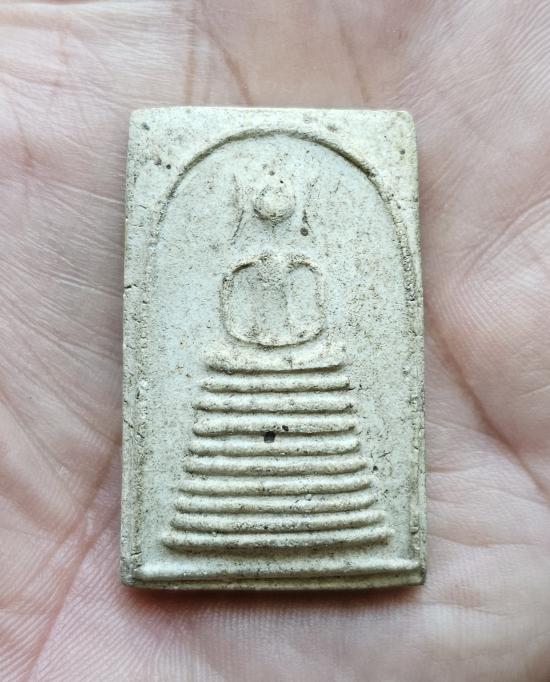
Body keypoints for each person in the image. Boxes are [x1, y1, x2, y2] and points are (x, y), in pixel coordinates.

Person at [1, 1, 549, 680]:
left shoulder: (303, 262)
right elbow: (233, 302)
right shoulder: (241, 259)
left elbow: (304, 306)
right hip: (252, 355)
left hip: (298, 356)